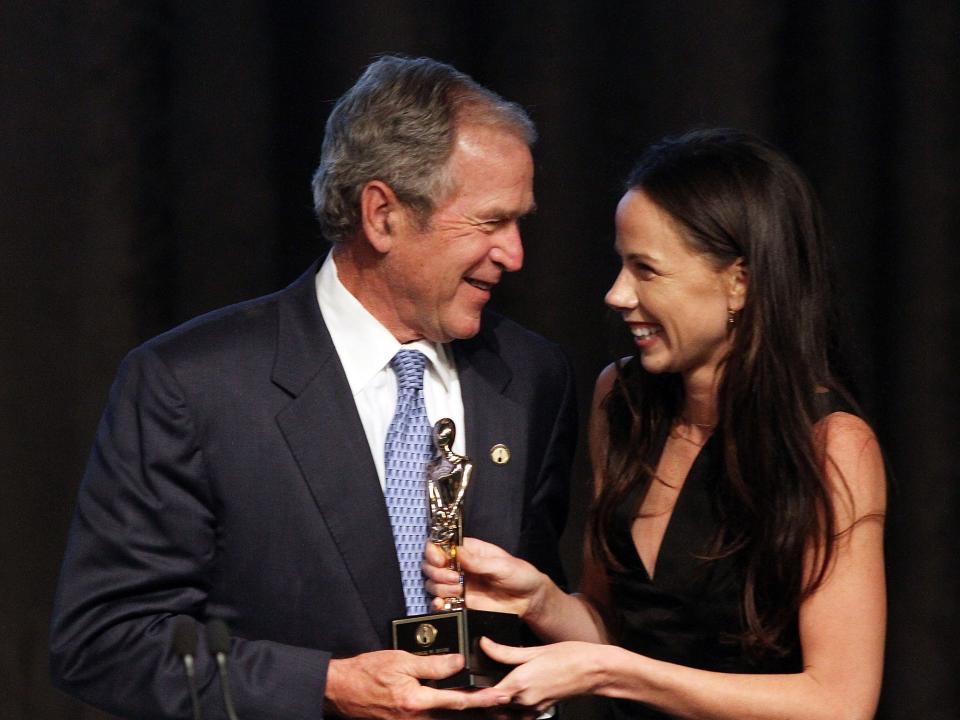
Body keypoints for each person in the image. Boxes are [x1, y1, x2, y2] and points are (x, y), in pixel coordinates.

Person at [49, 55, 576, 720]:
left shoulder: (532, 377)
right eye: (490, 222)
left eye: (520, 221)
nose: (516, 253)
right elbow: (105, 641)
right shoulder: (194, 385)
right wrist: (325, 685)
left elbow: (538, 609)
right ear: (382, 214)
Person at [424, 129, 887, 719]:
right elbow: (619, 631)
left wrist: (613, 671)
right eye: (621, 264)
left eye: (646, 270)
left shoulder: (831, 445)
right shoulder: (621, 400)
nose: (618, 294)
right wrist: (539, 600)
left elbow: (839, 703)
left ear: (739, 281)